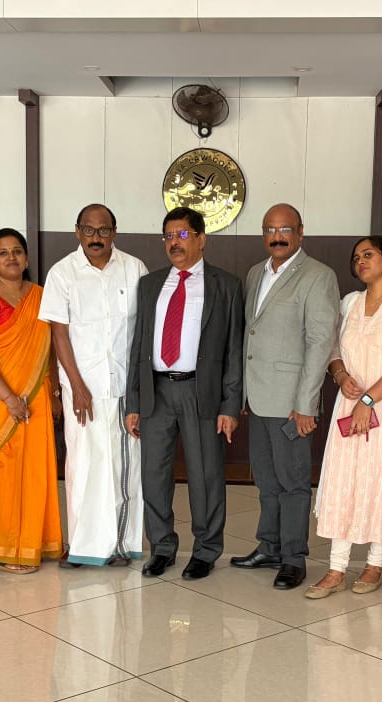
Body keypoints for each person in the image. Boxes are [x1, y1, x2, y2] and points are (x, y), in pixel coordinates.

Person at [125, 207, 244, 581]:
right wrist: (133, 402)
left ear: (201, 238)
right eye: (168, 237)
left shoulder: (225, 285)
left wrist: (231, 404)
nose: (174, 243)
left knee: (205, 475)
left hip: (200, 391)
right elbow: (138, 345)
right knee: (154, 475)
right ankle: (161, 547)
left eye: (181, 235)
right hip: (156, 392)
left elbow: (234, 350)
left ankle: (206, 550)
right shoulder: (150, 285)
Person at [306, 236, 382, 599]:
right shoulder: (351, 302)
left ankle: (375, 564)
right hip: (350, 401)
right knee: (346, 479)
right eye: (356, 258)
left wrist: (369, 400)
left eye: (368, 254)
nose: (361, 261)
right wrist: (341, 376)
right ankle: (336, 567)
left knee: (381, 479)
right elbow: (333, 348)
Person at [231, 203, 339, 590]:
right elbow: (252, 335)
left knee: (293, 482)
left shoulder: (317, 276)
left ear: (300, 232)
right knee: (266, 479)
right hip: (259, 398)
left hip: (293, 402)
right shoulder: (254, 274)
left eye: (285, 229)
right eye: (270, 229)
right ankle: (269, 546)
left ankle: (293, 557)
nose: (277, 236)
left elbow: (319, 342)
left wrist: (306, 404)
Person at [39, 204, 147, 567]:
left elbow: (142, 334)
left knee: (124, 468)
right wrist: (77, 385)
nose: (96, 238)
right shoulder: (62, 273)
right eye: (89, 230)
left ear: (114, 232)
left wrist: (140, 390)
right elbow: (59, 334)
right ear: (77, 232)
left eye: (103, 231)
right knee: (84, 467)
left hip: (123, 389)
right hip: (82, 389)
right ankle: (83, 545)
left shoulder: (134, 269)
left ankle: (121, 545)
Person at [0, 228, 62, 573]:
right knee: (1, 467)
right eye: (3, 253)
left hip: (35, 394)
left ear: (26, 257)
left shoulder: (40, 295)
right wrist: (8, 398)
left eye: (17, 251)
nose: (11, 258)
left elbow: (49, 347)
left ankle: (35, 541)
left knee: (34, 469)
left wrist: (53, 391)